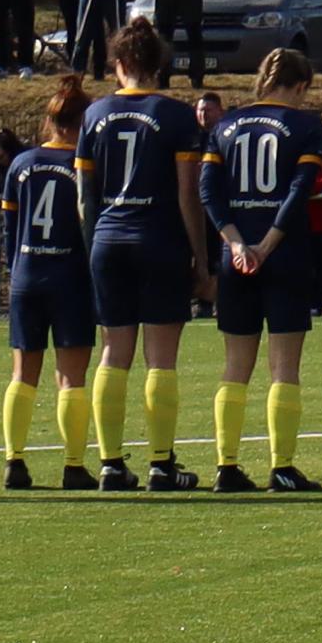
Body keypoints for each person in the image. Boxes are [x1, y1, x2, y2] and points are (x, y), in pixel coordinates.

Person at [199, 47, 322, 492]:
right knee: (284, 366)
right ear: (300, 86)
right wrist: (267, 244)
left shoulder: (226, 125)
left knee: (235, 366)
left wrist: (238, 243)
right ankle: (282, 465)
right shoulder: (304, 124)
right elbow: (300, 190)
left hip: (235, 255)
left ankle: (226, 465)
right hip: (285, 254)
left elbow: (209, 190)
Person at [80, 24, 208, 487]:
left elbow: (85, 196)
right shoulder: (175, 116)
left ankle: (111, 463)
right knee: (161, 357)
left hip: (108, 241)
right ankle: (160, 463)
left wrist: (91, 246)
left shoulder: (95, 113)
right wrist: (201, 258)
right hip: (158, 240)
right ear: (158, 65)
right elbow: (187, 197)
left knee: (114, 352)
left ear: (119, 64)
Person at [0, 76, 100, 490]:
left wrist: (15, 267)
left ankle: (14, 461)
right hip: (71, 276)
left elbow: (8, 225)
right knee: (71, 375)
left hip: (27, 274)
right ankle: (74, 464)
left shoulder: (22, 164)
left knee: (24, 372)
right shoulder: (85, 163)